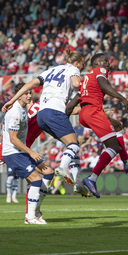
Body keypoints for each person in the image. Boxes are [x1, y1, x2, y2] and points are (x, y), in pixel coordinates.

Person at [2, 50, 86, 186]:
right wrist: (91, 88)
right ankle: (64, 169)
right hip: (52, 114)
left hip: (43, 115)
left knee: (72, 145)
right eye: (82, 64)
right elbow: (77, 84)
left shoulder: (51, 70)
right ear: (77, 63)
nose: (82, 67)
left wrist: (11, 100)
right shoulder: (73, 69)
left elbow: (29, 84)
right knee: (73, 144)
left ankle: (77, 182)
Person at [76, 53, 128, 198]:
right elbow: (104, 86)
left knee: (117, 126)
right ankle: (92, 179)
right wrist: (123, 99)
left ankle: (127, 162)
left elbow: (75, 101)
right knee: (113, 147)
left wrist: (66, 114)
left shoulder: (85, 79)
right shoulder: (100, 71)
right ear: (96, 63)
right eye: (105, 61)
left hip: (84, 113)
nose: (108, 64)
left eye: (108, 61)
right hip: (93, 111)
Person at [1, 84, 53, 224]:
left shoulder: (24, 108)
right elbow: (13, 139)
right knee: (36, 179)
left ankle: (34, 211)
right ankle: (30, 216)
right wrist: (31, 152)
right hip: (12, 152)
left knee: (48, 172)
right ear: (19, 94)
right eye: (26, 93)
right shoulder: (15, 113)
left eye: (30, 93)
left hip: (20, 152)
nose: (30, 95)